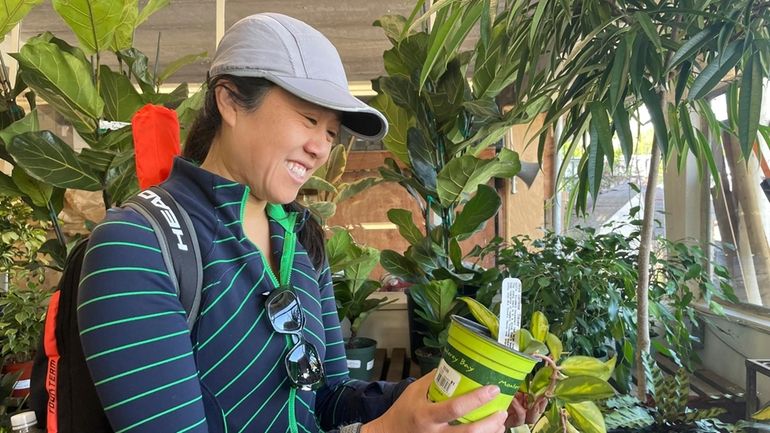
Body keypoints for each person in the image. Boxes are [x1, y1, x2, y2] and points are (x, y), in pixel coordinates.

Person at [78, 12, 541, 433]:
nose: (321, 148)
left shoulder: (299, 240)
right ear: (230, 101)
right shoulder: (137, 245)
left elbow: (325, 400)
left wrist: (446, 403)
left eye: (331, 132)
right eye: (307, 118)